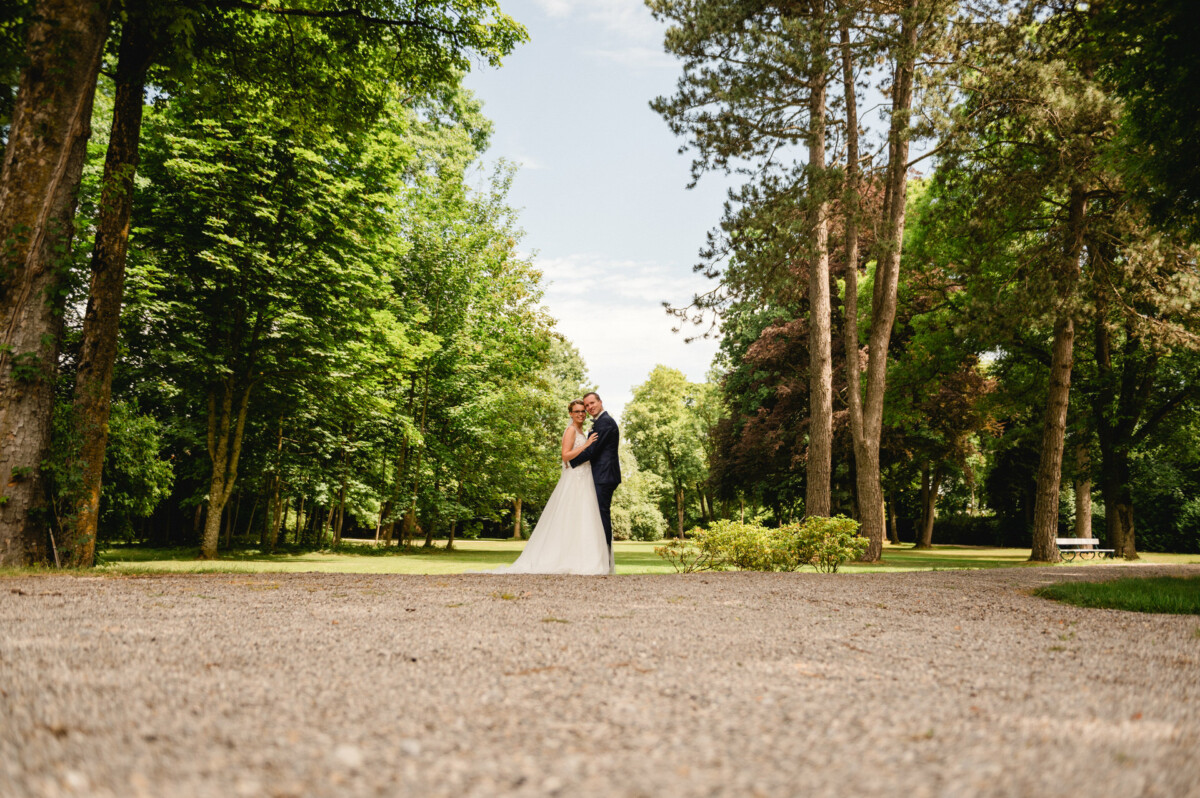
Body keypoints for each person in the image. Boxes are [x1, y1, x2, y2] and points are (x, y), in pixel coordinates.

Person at [481, 400, 611, 575]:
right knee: (569, 516)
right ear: (571, 414)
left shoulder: (583, 431)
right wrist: (587, 445)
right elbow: (565, 456)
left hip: (586, 477)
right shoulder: (571, 430)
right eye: (577, 411)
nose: (581, 414)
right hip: (574, 478)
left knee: (583, 517)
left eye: (583, 411)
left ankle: (581, 558)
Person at [568, 391, 621, 573]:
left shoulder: (605, 422)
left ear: (600, 402)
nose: (589, 407)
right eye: (587, 405)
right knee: (597, 517)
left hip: (604, 476)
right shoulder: (599, 422)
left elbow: (593, 451)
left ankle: (604, 561)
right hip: (600, 475)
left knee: (601, 516)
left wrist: (571, 463)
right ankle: (601, 560)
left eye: (592, 403)